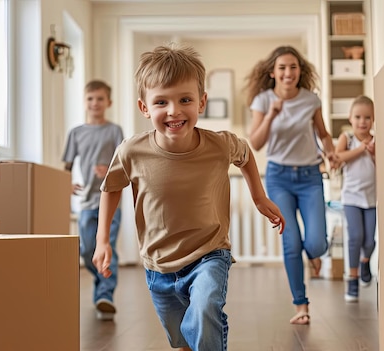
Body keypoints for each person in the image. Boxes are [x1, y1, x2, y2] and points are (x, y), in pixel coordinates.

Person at [92, 43, 285, 351]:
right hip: (159, 263)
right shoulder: (131, 151)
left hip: (209, 251)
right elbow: (112, 187)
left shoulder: (219, 145)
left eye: (185, 100)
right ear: (144, 108)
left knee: (207, 307)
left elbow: (246, 154)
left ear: (201, 102)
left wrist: (259, 198)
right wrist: (103, 240)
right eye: (161, 102)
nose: (174, 111)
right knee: (181, 338)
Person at [245, 45, 340, 325]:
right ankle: (301, 305)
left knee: (315, 243)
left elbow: (323, 134)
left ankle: (314, 256)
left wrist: (331, 151)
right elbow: (256, 143)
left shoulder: (311, 100)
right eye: (282, 68)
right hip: (279, 177)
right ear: (273, 73)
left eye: (293, 67)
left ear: (300, 71)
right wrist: (273, 114)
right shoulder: (263, 101)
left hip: (310, 176)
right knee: (290, 242)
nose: (288, 73)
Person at [62, 80, 124, 320]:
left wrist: (108, 171)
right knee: (88, 249)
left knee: (107, 246)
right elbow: (66, 165)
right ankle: (101, 280)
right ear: (85, 102)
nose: (95, 103)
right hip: (86, 202)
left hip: (111, 200)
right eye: (90, 99)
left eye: (100, 98)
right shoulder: (76, 133)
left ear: (108, 102)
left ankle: (105, 295)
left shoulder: (115, 130)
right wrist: (65, 183)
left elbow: (123, 163)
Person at [334, 95, 377, 302]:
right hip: (351, 198)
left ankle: (365, 261)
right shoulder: (348, 139)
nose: (362, 122)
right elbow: (338, 158)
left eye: (367, 117)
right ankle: (352, 279)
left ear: (374, 119)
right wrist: (361, 149)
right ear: (350, 119)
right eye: (358, 117)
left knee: (369, 240)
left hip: (371, 199)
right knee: (355, 237)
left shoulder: (376, 140)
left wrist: (374, 153)